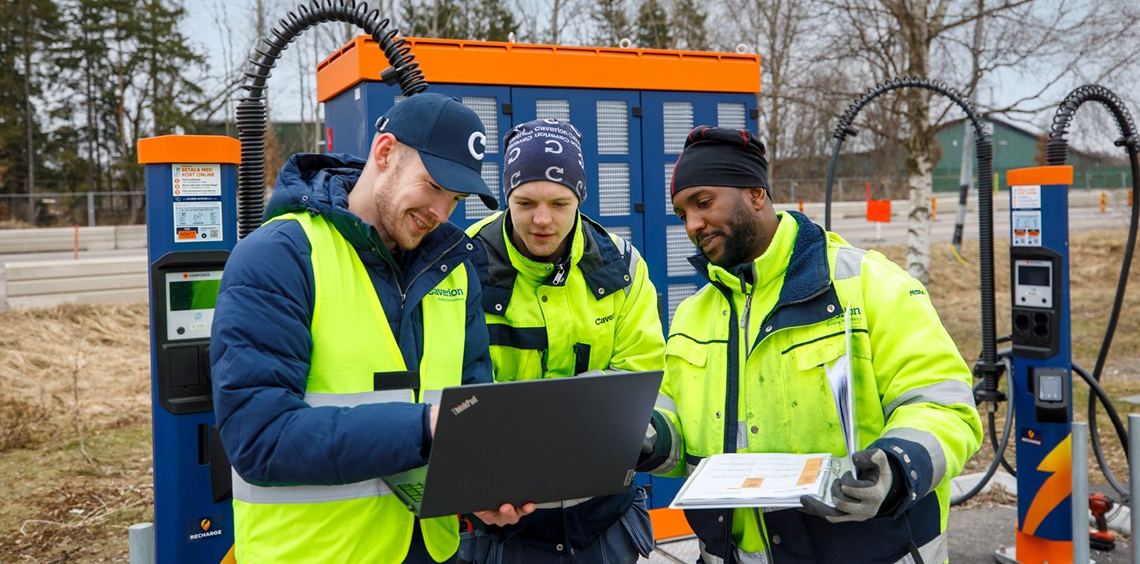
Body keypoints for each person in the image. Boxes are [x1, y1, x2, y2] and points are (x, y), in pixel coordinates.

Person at [210, 93, 532, 564]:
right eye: (433, 185)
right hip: (314, 554)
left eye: (456, 199)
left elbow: (471, 404)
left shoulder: (454, 270)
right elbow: (259, 437)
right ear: (384, 153)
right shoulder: (280, 256)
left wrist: (477, 490)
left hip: (433, 552)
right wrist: (425, 428)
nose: (441, 212)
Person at [638, 126, 983, 563]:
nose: (692, 224)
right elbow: (678, 427)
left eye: (703, 203)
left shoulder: (871, 285)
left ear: (756, 194)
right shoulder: (692, 316)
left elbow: (944, 406)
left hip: (871, 551)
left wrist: (896, 469)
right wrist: (647, 437)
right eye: (682, 213)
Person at [464, 118, 666, 562]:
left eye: (559, 202)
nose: (542, 219)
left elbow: (645, 374)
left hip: (604, 524)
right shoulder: (460, 268)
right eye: (525, 202)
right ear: (505, 198)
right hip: (498, 531)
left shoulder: (623, 265)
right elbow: (446, 391)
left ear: (580, 198)